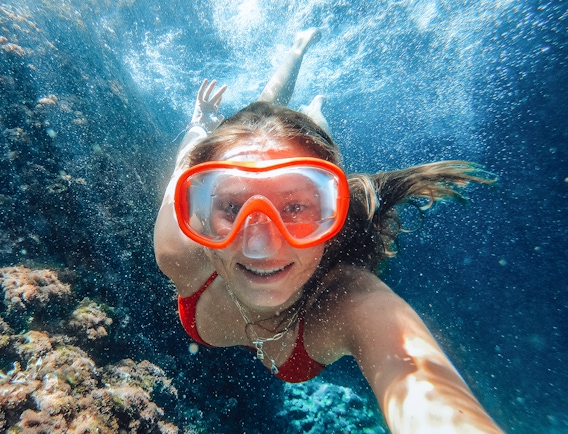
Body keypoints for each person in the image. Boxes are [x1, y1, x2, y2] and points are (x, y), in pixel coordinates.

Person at [154, 28, 502, 433]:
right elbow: (185, 163)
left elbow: (419, 380)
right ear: (198, 211)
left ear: (328, 212)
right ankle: (297, 52)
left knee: (298, 129)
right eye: (232, 206)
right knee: (261, 115)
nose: (261, 244)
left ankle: (314, 107)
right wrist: (201, 125)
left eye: (296, 206)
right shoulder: (179, 250)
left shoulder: (349, 304)